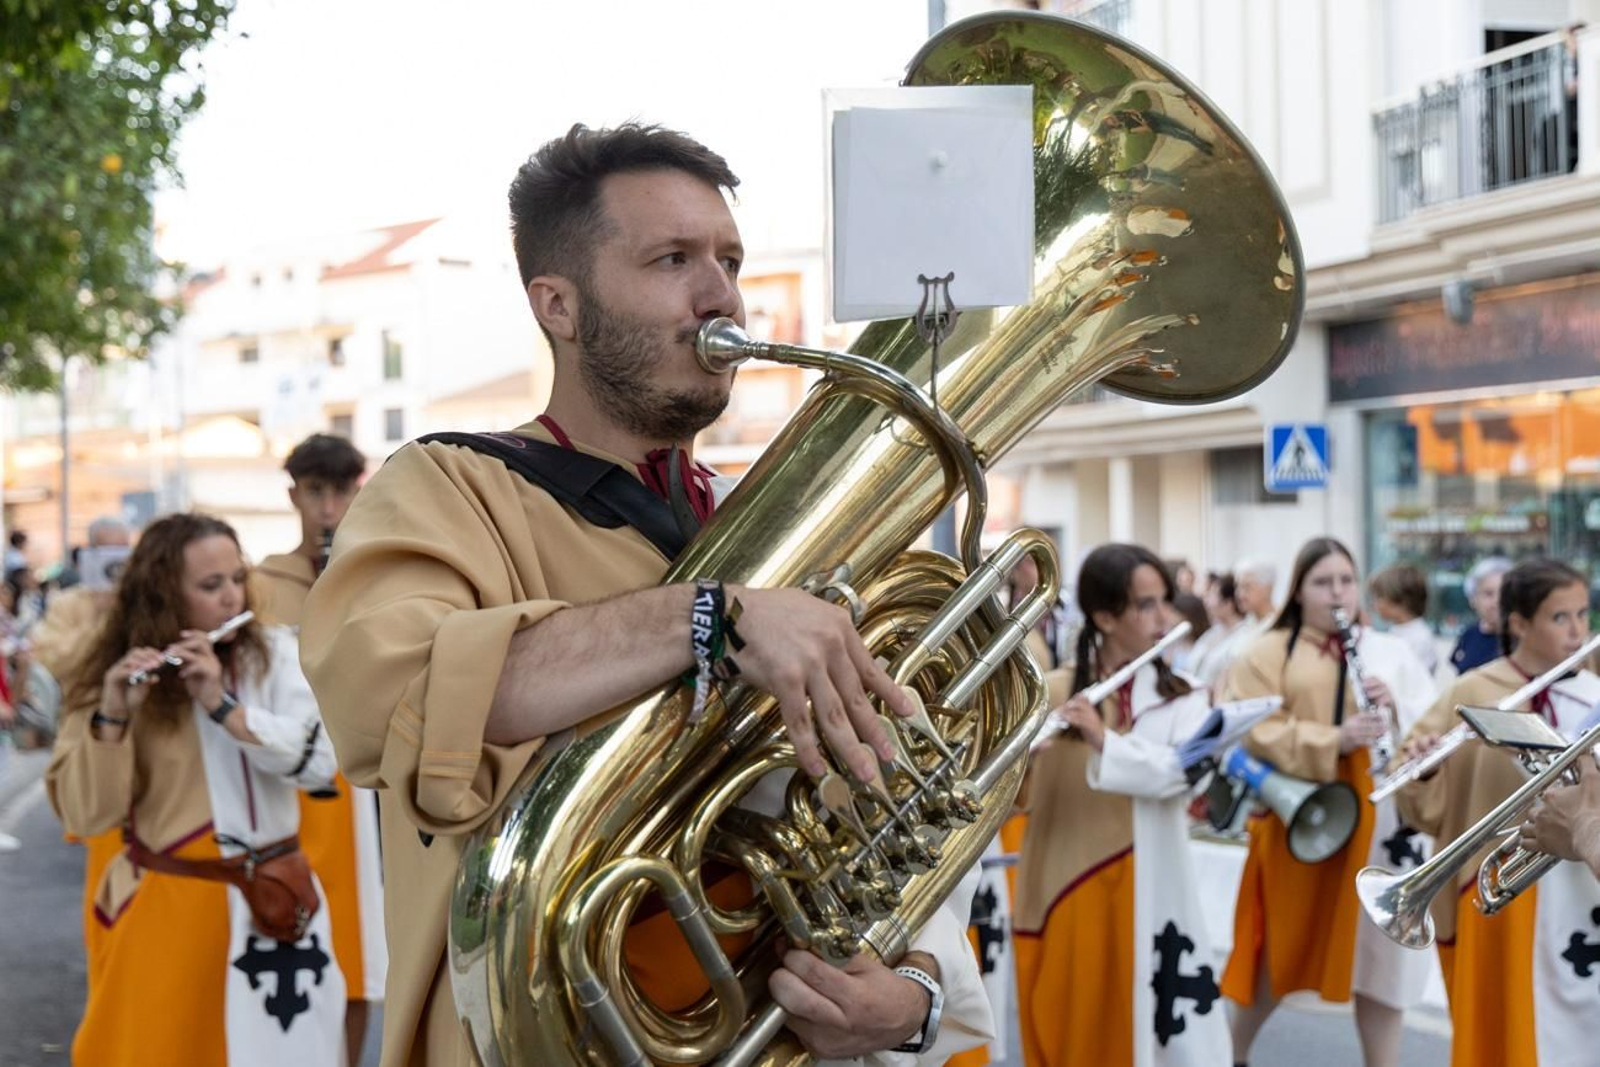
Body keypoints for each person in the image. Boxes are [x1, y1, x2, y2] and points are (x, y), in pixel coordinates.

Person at [297, 123, 992, 1066]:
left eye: (729, 260)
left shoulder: (775, 530)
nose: (721, 295)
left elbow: (899, 817)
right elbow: (391, 699)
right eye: (673, 259)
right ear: (558, 305)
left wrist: (913, 997)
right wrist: (709, 618)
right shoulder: (446, 486)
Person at [45, 512, 345, 1066]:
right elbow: (87, 816)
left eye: (237, 578)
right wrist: (112, 717)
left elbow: (320, 764)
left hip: (273, 906)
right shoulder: (112, 672)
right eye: (210, 585)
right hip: (167, 907)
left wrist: (223, 708)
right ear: (163, 595)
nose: (232, 597)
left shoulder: (274, 654)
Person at [1219, 537, 1435, 1067]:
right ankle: (1233, 1054)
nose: (1337, 593)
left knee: (1382, 957)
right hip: (1306, 816)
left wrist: (1396, 709)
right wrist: (1333, 739)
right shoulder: (1267, 650)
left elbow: (1431, 722)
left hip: (1382, 822)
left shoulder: (1390, 651)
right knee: (1282, 946)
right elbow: (1250, 726)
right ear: (1298, 591)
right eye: (1322, 582)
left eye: (1345, 580)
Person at [1012, 544, 1229, 1065]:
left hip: (1154, 892)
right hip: (1064, 889)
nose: (1165, 619)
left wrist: (1102, 739)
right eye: (1146, 605)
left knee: (1165, 1046)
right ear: (1105, 617)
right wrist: (1021, 761)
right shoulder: (1053, 692)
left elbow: (1180, 774)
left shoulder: (1187, 696)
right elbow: (1008, 804)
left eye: (1165, 602)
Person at [1397, 558, 1600, 1067]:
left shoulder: (1594, 693)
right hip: (1501, 888)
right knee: (1501, 1033)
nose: (1577, 631)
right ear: (1519, 624)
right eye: (1560, 617)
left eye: (1583, 615)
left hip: (1581, 892)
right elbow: (1426, 801)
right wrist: (1425, 768)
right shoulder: (1473, 691)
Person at [254, 432, 385, 1067]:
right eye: (314, 492)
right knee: (288, 949)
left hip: (367, 790)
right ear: (293, 496)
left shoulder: (377, 575)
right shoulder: (259, 586)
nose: (327, 509)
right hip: (289, 794)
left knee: (360, 953)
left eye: (339, 492)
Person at [1368, 563, 1437, 676]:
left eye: (1379, 597)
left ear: (1402, 601)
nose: (1375, 604)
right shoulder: (1395, 632)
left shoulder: (1420, 639)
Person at [1450, 556, 1511, 675]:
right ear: (1473, 599)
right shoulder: (1468, 635)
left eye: (1504, 593)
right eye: (1489, 594)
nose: (1497, 601)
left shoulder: (1522, 639)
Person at [1189, 573, 1249, 690]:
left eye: (1212, 595)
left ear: (1228, 604)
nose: (1206, 601)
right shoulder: (1213, 632)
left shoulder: (1244, 636)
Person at [1232, 557, 1277, 632]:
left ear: (1267, 588)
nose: (1240, 594)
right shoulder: (1243, 627)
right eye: (1238, 586)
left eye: (1247, 587)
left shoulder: (1279, 624)